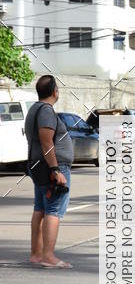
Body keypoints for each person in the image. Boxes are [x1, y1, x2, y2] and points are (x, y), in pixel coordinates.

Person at [25, 74, 74, 268]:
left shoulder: (35, 109)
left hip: (39, 166)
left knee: (40, 209)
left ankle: (36, 254)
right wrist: (55, 170)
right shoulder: (46, 111)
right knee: (53, 210)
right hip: (50, 167)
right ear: (55, 91)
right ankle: (48, 256)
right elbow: (47, 142)